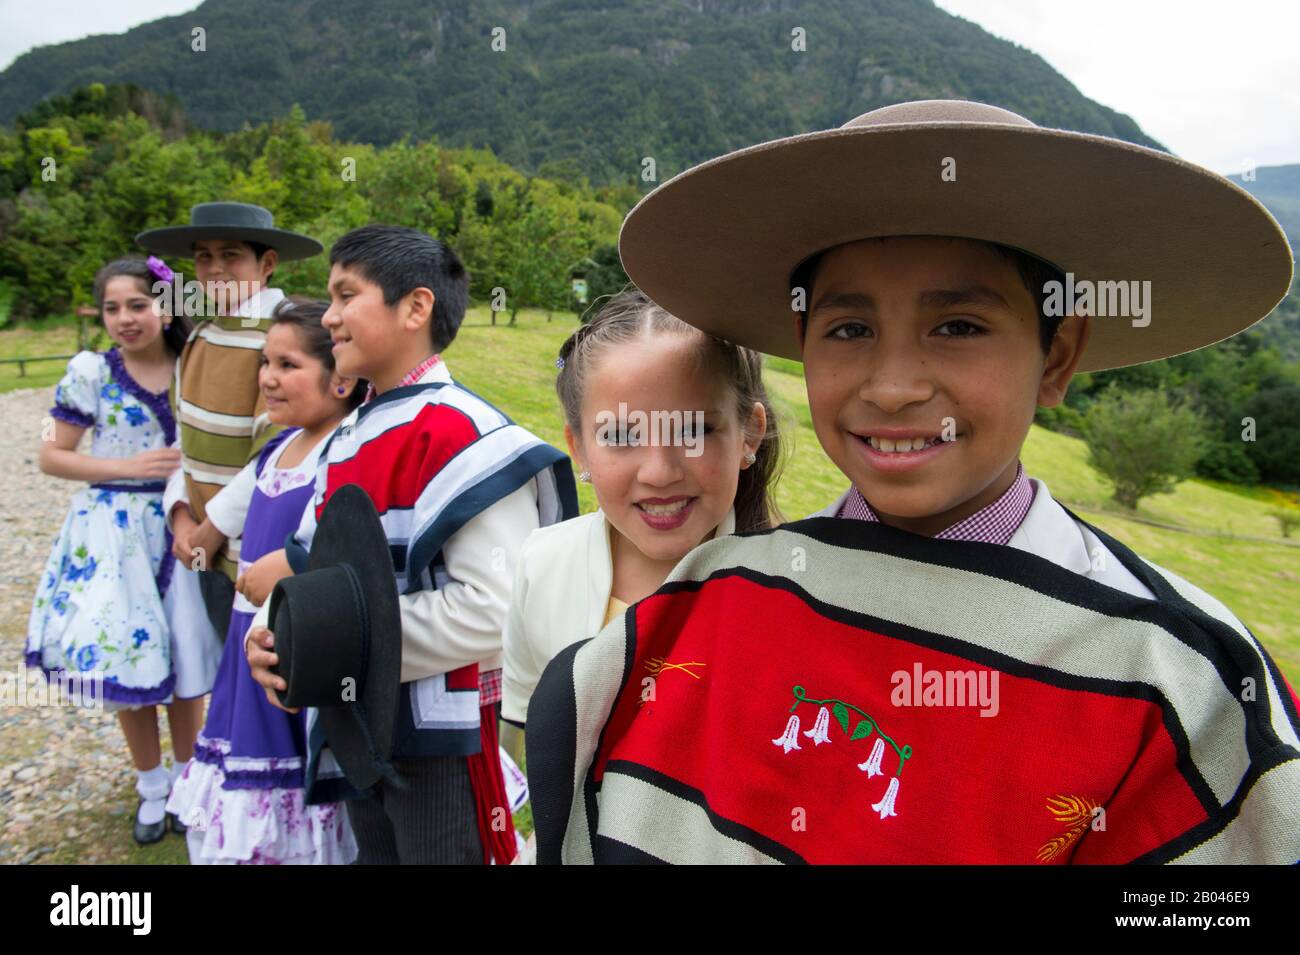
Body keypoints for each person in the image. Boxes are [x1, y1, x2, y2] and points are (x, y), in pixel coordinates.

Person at [525, 100, 1300, 864]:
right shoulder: (708, 604)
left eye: (958, 326)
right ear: (805, 344)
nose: (893, 386)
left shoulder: (1179, 685)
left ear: (1057, 356)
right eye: (850, 329)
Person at [244, 225, 579, 864]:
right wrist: (279, 633)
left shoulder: (461, 433)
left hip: (442, 745)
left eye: (346, 295)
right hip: (359, 730)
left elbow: (495, 608)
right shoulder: (348, 438)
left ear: (415, 308)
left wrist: (337, 643)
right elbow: (313, 571)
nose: (331, 316)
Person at [502, 288, 780, 739]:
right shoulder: (541, 565)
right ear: (580, 450)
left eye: (693, 430)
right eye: (620, 435)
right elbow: (523, 714)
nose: (658, 472)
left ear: (749, 434)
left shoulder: (793, 596)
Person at [166, 298, 362, 864]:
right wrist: (192, 531)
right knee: (241, 743)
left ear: (342, 381)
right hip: (246, 639)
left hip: (301, 646)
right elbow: (217, 524)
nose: (267, 379)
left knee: (293, 753)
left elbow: (346, 546)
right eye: (265, 363)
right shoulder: (276, 451)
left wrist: (291, 563)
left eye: (287, 365)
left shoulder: (342, 454)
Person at [25, 256, 206, 845]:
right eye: (112, 308)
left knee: (184, 663)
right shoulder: (89, 373)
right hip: (113, 534)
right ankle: (150, 786)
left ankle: (188, 781)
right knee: (128, 658)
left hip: (184, 530)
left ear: (165, 306)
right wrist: (123, 466)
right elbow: (52, 454)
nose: (125, 318)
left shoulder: (196, 366)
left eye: (139, 304)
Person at [136, 202, 323, 643]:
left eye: (231, 255)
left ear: (268, 263)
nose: (215, 268)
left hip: (257, 556)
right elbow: (186, 442)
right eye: (204, 256)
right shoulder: (200, 337)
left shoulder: (280, 337)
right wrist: (181, 515)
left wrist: (210, 529)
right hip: (208, 550)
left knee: (262, 678)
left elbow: (278, 458)